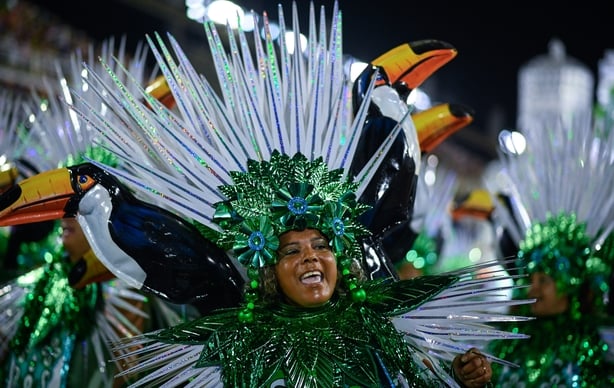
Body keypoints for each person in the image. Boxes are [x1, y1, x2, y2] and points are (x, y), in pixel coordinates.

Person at [0, 2, 531, 387]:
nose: (311, 259)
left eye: (321, 245)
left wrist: (465, 382)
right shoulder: (238, 355)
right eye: (291, 250)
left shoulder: (383, 331)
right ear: (268, 273)